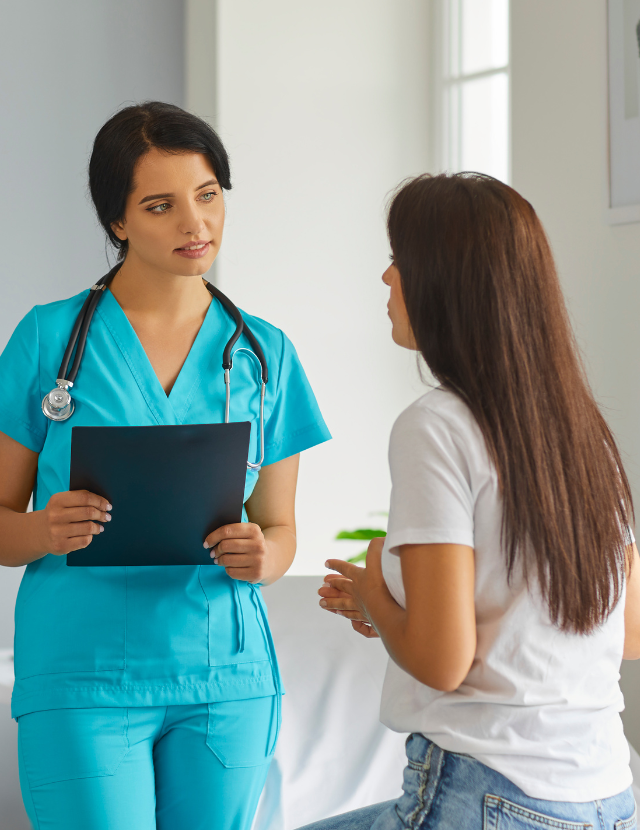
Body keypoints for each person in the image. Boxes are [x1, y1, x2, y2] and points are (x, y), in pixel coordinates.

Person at [0, 101, 330, 830]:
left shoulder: (264, 351)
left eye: (208, 195)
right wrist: (44, 530)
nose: (196, 224)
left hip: (226, 679)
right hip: (83, 677)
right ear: (117, 222)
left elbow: (279, 528)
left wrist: (263, 554)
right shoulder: (48, 339)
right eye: (161, 205)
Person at [307, 173, 640, 830]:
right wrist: (396, 605)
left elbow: (441, 660)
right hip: (607, 798)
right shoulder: (583, 431)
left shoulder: (435, 424)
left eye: (398, 260)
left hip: (490, 793)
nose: (385, 279)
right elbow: (626, 631)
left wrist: (377, 581)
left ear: (442, 281)